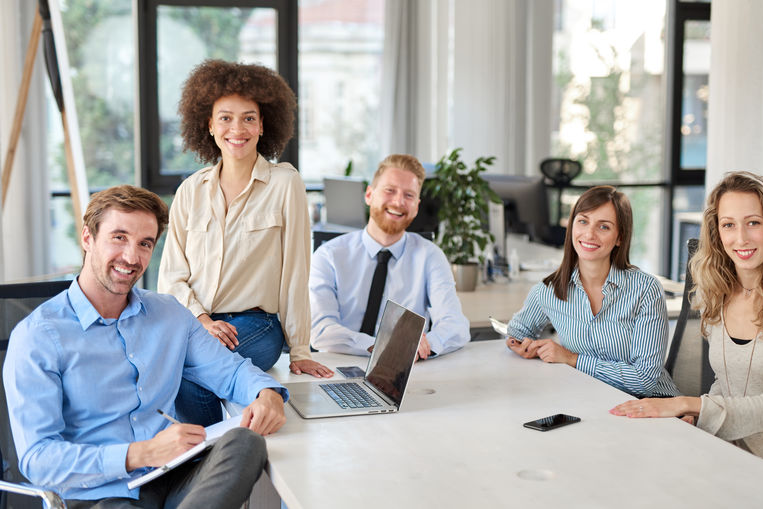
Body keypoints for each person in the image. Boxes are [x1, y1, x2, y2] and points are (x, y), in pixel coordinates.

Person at [4, 185, 288, 507]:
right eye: (119, 237)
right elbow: (38, 461)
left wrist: (268, 395)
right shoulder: (38, 336)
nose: (131, 257)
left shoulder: (169, 314)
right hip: (99, 496)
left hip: (169, 476)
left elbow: (232, 371)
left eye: (145, 244)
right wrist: (141, 453)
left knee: (245, 442)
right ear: (87, 238)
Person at [610, 171, 763, 491]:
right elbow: (728, 381)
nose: (741, 238)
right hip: (729, 445)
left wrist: (688, 404)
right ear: (717, 231)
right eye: (729, 225)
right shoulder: (716, 291)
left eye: (753, 223)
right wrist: (700, 419)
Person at [158, 59, 332, 427]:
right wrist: (202, 319)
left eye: (248, 118)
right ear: (208, 124)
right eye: (225, 118)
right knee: (175, 371)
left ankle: (207, 460)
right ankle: (213, 462)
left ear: (263, 124)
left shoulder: (285, 184)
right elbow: (171, 277)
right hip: (197, 326)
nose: (237, 128)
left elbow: (296, 271)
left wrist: (300, 348)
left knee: (190, 377)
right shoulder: (190, 191)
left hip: (257, 326)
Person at [506, 185, 678, 398]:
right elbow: (517, 331)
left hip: (655, 405)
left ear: (619, 238)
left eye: (604, 227)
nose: (589, 234)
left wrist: (571, 358)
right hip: (592, 401)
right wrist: (522, 345)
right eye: (583, 221)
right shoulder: (549, 291)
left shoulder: (645, 290)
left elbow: (644, 381)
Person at [310, 154, 470, 359]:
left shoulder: (430, 255)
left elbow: (456, 325)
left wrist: (424, 345)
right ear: (369, 195)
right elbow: (321, 330)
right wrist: (380, 346)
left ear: (417, 206)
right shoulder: (328, 256)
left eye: (409, 195)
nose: (398, 201)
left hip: (401, 372)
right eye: (390, 190)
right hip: (339, 367)